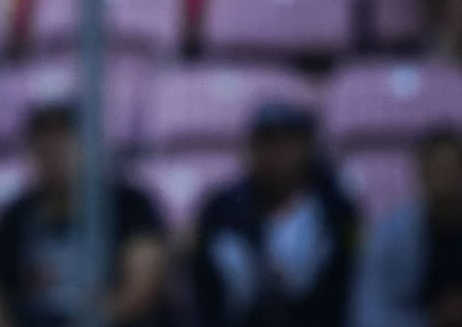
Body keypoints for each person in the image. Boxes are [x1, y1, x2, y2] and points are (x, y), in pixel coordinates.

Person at [0, 104, 170, 327]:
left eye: (62, 148)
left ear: (89, 149)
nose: (53, 159)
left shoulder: (131, 205)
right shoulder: (14, 218)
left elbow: (141, 286)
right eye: (44, 150)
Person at [192, 103, 360, 327]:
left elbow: (348, 282)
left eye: (285, 143)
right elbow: (205, 287)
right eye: (265, 142)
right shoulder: (221, 208)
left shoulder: (335, 208)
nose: (274, 155)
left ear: (306, 147)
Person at [353, 127, 462, 327]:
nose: (446, 178)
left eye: (453, 169)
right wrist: (430, 320)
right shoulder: (389, 235)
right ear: (421, 172)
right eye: (438, 169)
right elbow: (368, 311)